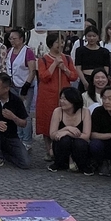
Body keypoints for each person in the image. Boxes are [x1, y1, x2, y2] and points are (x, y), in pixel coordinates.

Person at [35, 31, 76, 161]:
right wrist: (54, 64)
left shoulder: (68, 59)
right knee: (47, 121)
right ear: (51, 44)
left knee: (63, 121)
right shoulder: (43, 60)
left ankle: (62, 149)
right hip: (48, 96)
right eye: (58, 42)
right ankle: (49, 150)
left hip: (64, 94)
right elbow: (43, 77)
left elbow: (74, 76)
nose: (61, 44)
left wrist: (64, 68)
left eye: (62, 41)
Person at [0, 73, 30, 169]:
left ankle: (5, 155)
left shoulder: (16, 100)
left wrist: (13, 117)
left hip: (11, 136)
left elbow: (24, 123)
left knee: (25, 163)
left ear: (6, 89)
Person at [48, 87, 92, 174]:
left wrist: (67, 133)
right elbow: (52, 134)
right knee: (64, 140)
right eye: (61, 98)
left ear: (74, 100)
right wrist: (67, 128)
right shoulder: (58, 111)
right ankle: (59, 163)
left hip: (79, 144)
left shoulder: (85, 112)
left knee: (79, 143)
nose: (62, 101)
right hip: (62, 144)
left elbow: (86, 136)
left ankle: (82, 165)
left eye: (65, 99)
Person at [6, 28, 37, 148]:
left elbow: (32, 70)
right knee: (15, 112)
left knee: (25, 113)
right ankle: (18, 136)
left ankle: (27, 140)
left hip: (25, 86)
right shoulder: (9, 51)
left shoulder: (27, 51)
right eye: (10, 38)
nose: (12, 41)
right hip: (12, 85)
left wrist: (26, 85)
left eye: (14, 38)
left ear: (21, 39)